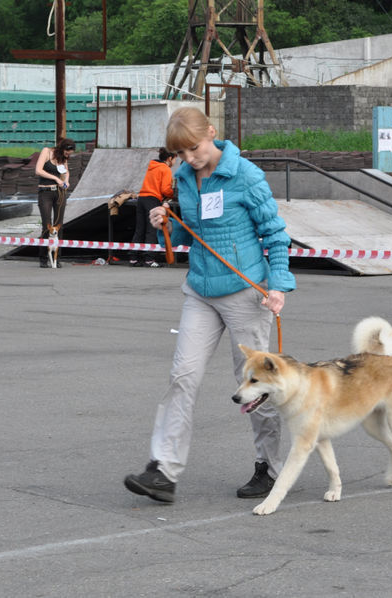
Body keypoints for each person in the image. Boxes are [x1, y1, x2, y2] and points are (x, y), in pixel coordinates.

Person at [124, 107, 295, 504]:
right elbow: (199, 227)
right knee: (182, 375)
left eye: (194, 149)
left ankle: (269, 468)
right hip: (199, 289)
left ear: (212, 133)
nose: (189, 159)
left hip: (244, 292)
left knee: (257, 387)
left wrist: (280, 285)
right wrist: (167, 216)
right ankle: (164, 471)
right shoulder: (183, 177)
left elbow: (275, 233)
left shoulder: (245, 175)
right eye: (181, 153)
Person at [130, 148, 176, 267]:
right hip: (153, 199)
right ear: (170, 158)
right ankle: (149, 259)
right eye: (175, 159)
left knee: (140, 229)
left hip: (142, 198)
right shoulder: (165, 168)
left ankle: (134, 258)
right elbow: (165, 189)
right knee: (152, 229)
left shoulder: (152, 166)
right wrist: (173, 193)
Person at [34, 137, 75, 268]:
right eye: (67, 153)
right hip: (45, 192)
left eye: (70, 154)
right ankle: (43, 257)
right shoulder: (47, 151)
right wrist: (55, 179)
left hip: (59, 193)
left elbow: (65, 172)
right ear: (62, 149)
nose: (68, 156)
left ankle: (57, 258)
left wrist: (66, 181)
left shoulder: (63, 159)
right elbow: (38, 170)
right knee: (47, 225)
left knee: (59, 225)